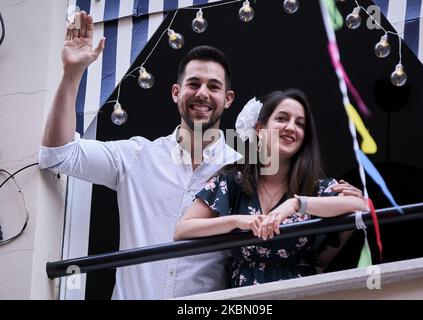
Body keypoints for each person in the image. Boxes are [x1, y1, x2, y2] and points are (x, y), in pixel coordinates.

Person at [39, 12, 361, 298]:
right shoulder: (137, 155)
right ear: (176, 93)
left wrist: (338, 198)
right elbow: (59, 155)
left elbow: (296, 189)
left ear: (228, 98)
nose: (203, 93)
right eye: (193, 84)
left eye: (214, 86)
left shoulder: (246, 162)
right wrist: (72, 74)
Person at [174, 89, 367, 288]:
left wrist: (296, 203)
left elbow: (360, 205)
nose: (291, 127)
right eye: (282, 119)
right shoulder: (232, 182)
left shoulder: (314, 187)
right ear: (259, 129)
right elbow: (182, 230)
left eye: (300, 123)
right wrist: (238, 221)